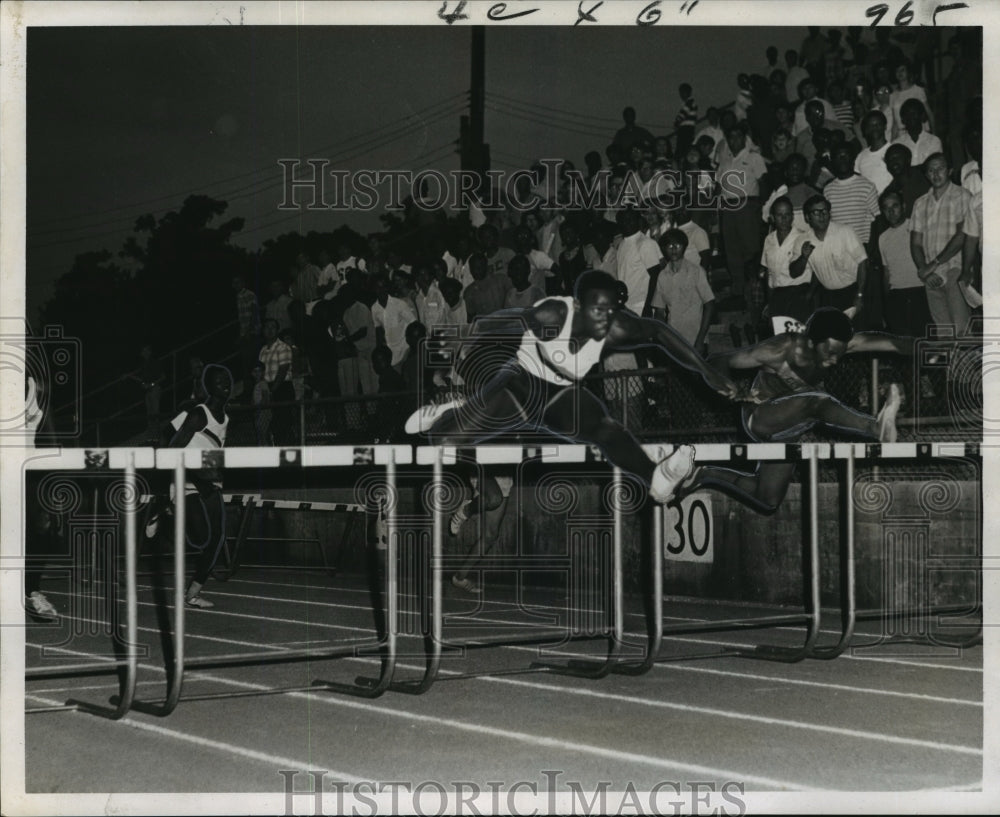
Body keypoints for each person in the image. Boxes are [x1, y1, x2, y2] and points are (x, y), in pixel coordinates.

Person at [405, 270, 749, 506]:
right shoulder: (552, 315)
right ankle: (456, 407)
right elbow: (483, 324)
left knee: (603, 427)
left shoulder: (616, 326)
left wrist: (706, 371)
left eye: (611, 311)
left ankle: (656, 480)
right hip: (520, 382)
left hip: (560, 393)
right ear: (580, 306)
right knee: (443, 442)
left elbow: (659, 333)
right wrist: (449, 371)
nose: (606, 320)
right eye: (598, 311)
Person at [677, 309, 906, 514]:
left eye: (840, 352)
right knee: (817, 402)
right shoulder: (779, 348)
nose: (834, 360)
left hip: (789, 428)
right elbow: (720, 360)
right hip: (760, 417)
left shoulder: (840, 343)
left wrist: (933, 348)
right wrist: (726, 386)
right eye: (829, 352)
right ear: (809, 342)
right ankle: (875, 427)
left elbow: (891, 343)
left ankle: (706, 474)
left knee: (767, 498)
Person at [165, 365, 233, 608]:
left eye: (228, 380)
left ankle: (193, 593)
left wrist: (215, 473)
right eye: (219, 380)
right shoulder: (198, 414)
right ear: (209, 386)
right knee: (200, 538)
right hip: (186, 480)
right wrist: (195, 478)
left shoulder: (226, 419)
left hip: (209, 481)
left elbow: (216, 452)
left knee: (217, 537)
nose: (225, 383)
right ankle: (163, 510)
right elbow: (172, 451)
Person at [910, 152, 973, 337]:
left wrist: (933, 264)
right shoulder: (920, 203)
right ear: (926, 175)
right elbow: (915, 243)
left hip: (956, 270)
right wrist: (924, 270)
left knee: (962, 330)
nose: (936, 174)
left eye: (940, 168)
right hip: (932, 276)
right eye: (931, 170)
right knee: (944, 333)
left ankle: (967, 366)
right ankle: (950, 367)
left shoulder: (963, 196)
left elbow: (962, 235)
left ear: (950, 171)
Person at [791, 195, 867, 315]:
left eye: (825, 211)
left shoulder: (845, 231)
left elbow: (863, 262)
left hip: (853, 290)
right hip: (829, 296)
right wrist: (803, 257)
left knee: (857, 333)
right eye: (816, 212)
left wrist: (859, 295)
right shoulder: (802, 240)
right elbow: (794, 273)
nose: (822, 215)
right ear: (807, 217)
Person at [760, 196, 811, 332]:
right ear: (772, 217)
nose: (784, 219)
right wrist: (770, 303)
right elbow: (769, 275)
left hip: (798, 295)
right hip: (778, 296)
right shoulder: (769, 239)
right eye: (779, 215)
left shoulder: (803, 237)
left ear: (793, 216)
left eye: (787, 214)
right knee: (781, 343)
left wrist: (808, 296)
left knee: (799, 342)